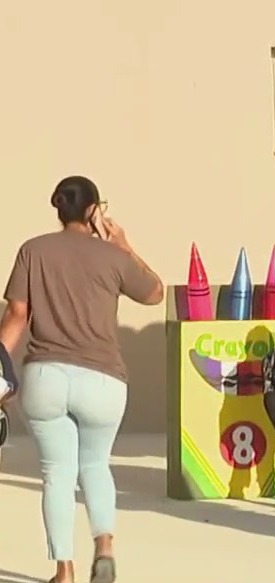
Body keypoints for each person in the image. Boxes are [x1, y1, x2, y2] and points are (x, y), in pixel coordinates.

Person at [0, 176, 164, 583]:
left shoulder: (32, 250)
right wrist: (123, 244)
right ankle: (104, 544)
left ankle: (64, 571)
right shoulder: (112, 256)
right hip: (103, 378)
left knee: (56, 472)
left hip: (45, 376)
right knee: (95, 465)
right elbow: (156, 292)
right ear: (94, 210)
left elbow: (17, 315)